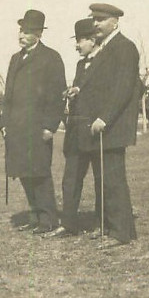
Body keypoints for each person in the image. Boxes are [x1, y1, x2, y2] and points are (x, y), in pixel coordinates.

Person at [73, 3, 141, 248]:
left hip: (112, 126)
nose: (95, 24)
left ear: (115, 21)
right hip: (101, 126)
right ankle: (114, 227)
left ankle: (121, 233)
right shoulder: (105, 49)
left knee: (113, 179)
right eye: (94, 19)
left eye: (101, 20)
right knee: (105, 179)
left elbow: (123, 88)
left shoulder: (124, 48)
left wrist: (105, 117)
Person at [1, 9, 66, 234]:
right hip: (17, 128)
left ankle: (48, 219)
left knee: (39, 173)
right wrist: (4, 122)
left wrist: (50, 125)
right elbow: (8, 93)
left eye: (27, 31)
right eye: (20, 30)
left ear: (38, 33)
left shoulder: (51, 58)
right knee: (23, 172)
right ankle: (35, 215)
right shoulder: (15, 59)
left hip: (38, 127)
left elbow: (57, 94)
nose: (21, 35)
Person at [48, 17, 101, 238]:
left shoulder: (107, 61)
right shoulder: (81, 65)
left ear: (92, 40)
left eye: (80, 40)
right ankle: (68, 224)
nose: (77, 45)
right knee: (70, 180)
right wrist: (73, 91)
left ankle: (102, 223)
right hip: (76, 131)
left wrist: (83, 93)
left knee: (102, 180)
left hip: (96, 130)